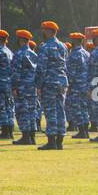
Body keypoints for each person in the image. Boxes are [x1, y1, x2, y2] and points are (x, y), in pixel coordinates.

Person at [35, 21, 68, 150]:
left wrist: (38, 85)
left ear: (49, 31)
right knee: (60, 111)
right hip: (61, 82)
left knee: (50, 112)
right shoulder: (63, 46)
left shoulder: (46, 47)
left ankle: (51, 141)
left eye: (44, 30)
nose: (43, 32)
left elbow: (42, 68)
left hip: (49, 82)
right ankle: (60, 140)